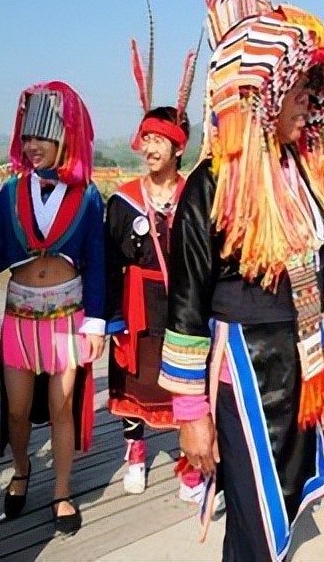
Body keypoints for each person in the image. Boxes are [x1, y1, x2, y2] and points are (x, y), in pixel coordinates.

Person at [159, 0, 324, 561]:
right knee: (254, 524)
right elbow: (185, 306)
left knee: (280, 518)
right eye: (296, 89)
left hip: (301, 366)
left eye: (312, 91)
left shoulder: (302, 174)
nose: (307, 103)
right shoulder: (211, 184)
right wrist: (191, 412)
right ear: (259, 93)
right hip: (245, 373)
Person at [0, 81, 107, 536]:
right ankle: (22, 469)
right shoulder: (9, 192)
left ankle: (61, 491)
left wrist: (96, 323)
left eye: (41, 136)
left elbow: (97, 262)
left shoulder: (87, 196)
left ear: (65, 137)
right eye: (26, 137)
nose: (32, 146)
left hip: (68, 318)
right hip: (20, 317)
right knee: (17, 410)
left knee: (62, 407)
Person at [105, 28, 203, 497]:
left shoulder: (195, 197)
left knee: (187, 384)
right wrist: (108, 319)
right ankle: (136, 452)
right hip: (137, 304)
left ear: (178, 147)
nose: (149, 148)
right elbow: (109, 262)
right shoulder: (123, 200)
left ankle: (190, 464)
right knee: (134, 381)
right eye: (146, 138)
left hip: (184, 304)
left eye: (159, 140)